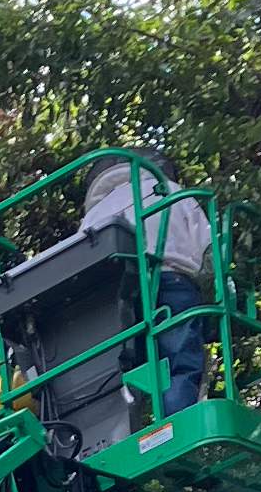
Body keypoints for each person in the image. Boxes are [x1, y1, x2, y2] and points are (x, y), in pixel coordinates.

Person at [82, 150, 214, 409]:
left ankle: (126, 429)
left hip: (113, 301)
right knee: (179, 364)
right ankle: (178, 425)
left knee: (118, 372)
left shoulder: (92, 216)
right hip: (171, 283)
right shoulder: (172, 190)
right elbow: (207, 252)